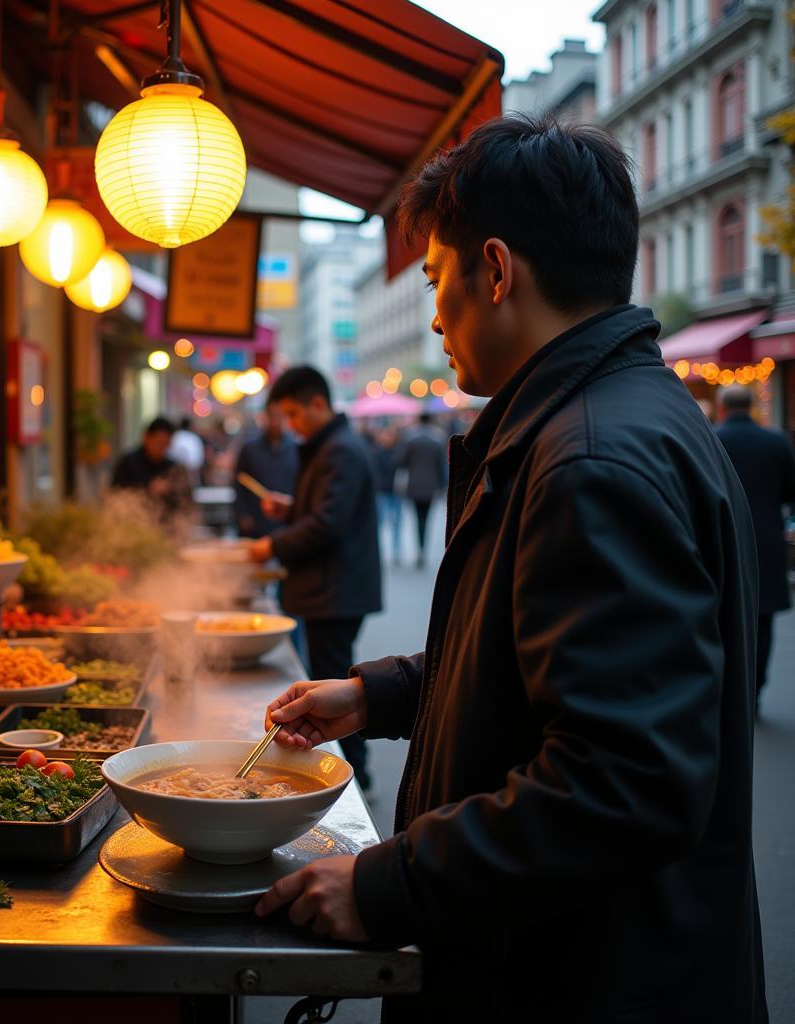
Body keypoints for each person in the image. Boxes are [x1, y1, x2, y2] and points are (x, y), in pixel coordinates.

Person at [254, 116, 766, 1024]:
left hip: (579, 981)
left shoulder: (590, 458)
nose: (438, 313)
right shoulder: (610, 417)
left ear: (495, 270)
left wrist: (385, 886)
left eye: (435, 279)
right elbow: (541, 672)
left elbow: (622, 786)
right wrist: (381, 696)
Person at [248, 366, 381, 792]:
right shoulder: (326, 446)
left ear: (318, 403)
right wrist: (289, 509)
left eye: (293, 414)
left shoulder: (338, 450)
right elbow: (321, 510)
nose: (290, 425)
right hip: (328, 588)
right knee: (333, 680)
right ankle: (351, 772)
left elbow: (328, 525)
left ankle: (355, 777)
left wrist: (272, 545)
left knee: (338, 688)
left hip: (335, 590)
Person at [716, 384, 795, 710]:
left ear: (723, 407)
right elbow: (791, 491)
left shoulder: (713, 439)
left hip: (722, 536)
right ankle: (755, 686)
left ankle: (728, 685)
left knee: (722, 614)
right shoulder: (775, 441)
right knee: (762, 621)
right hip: (766, 539)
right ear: (750, 406)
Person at [233, 402, 299, 538]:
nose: (275, 421)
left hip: (286, 521)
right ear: (265, 417)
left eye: (280, 416)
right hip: (256, 520)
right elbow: (238, 483)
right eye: (272, 416)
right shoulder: (250, 449)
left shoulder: (297, 449)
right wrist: (242, 515)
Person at [111, 416, 191, 516]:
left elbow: (185, 501)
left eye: (167, 445)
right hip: (133, 522)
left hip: (166, 526)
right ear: (146, 437)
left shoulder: (172, 467)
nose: (163, 449)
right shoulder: (129, 462)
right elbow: (115, 494)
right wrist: (148, 489)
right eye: (159, 444)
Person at [399, 412, 448, 568]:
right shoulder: (437, 440)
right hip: (430, 486)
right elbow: (442, 465)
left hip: (414, 485)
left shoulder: (410, 439)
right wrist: (443, 485)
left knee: (417, 519)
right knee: (426, 519)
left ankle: (419, 549)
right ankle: (423, 549)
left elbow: (402, 461)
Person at [372, 427, 403, 562]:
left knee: (396, 523)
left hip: (396, 492)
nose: (387, 438)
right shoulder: (377, 453)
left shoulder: (399, 452)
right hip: (382, 492)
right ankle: (380, 550)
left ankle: (396, 551)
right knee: (381, 522)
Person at [168, 416, 205, 486]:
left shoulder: (174, 436)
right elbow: (198, 460)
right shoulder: (194, 438)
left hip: (176, 471)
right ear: (190, 426)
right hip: (186, 472)